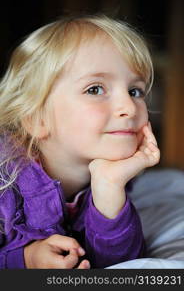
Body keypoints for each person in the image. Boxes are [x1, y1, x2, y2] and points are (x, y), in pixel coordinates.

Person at [0, 14, 160, 269]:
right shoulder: (4, 186)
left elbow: (122, 267)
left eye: (135, 91)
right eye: (95, 89)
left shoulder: (111, 174)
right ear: (36, 118)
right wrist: (25, 260)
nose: (129, 107)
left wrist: (109, 186)